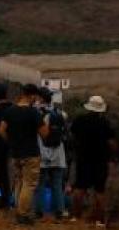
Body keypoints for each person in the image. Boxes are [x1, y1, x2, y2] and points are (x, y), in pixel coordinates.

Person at [0, 83, 50, 226]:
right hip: (31, 153)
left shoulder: (9, 111)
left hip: (15, 152)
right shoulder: (34, 113)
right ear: (32, 95)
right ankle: (23, 214)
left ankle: (18, 210)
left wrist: (11, 142)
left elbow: (1, 131)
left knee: (19, 182)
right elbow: (45, 133)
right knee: (29, 184)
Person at [71, 95, 118, 225]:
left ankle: (76, 216)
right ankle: (99, 220)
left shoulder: (79, 120)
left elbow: (73, 135)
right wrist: (113, 154)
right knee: (100, 190)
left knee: (80, 188)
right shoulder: (105, 123)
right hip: (100, 161)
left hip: (83, 159)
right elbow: (112, 143)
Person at [35, 87, 69, 221]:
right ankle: (59, 212)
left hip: (42, 152)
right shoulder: (60, 113)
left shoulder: (38, 113)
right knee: (57, 184)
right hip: (58, 154)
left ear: (41, 98)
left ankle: (38, 212)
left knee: (40, 185)